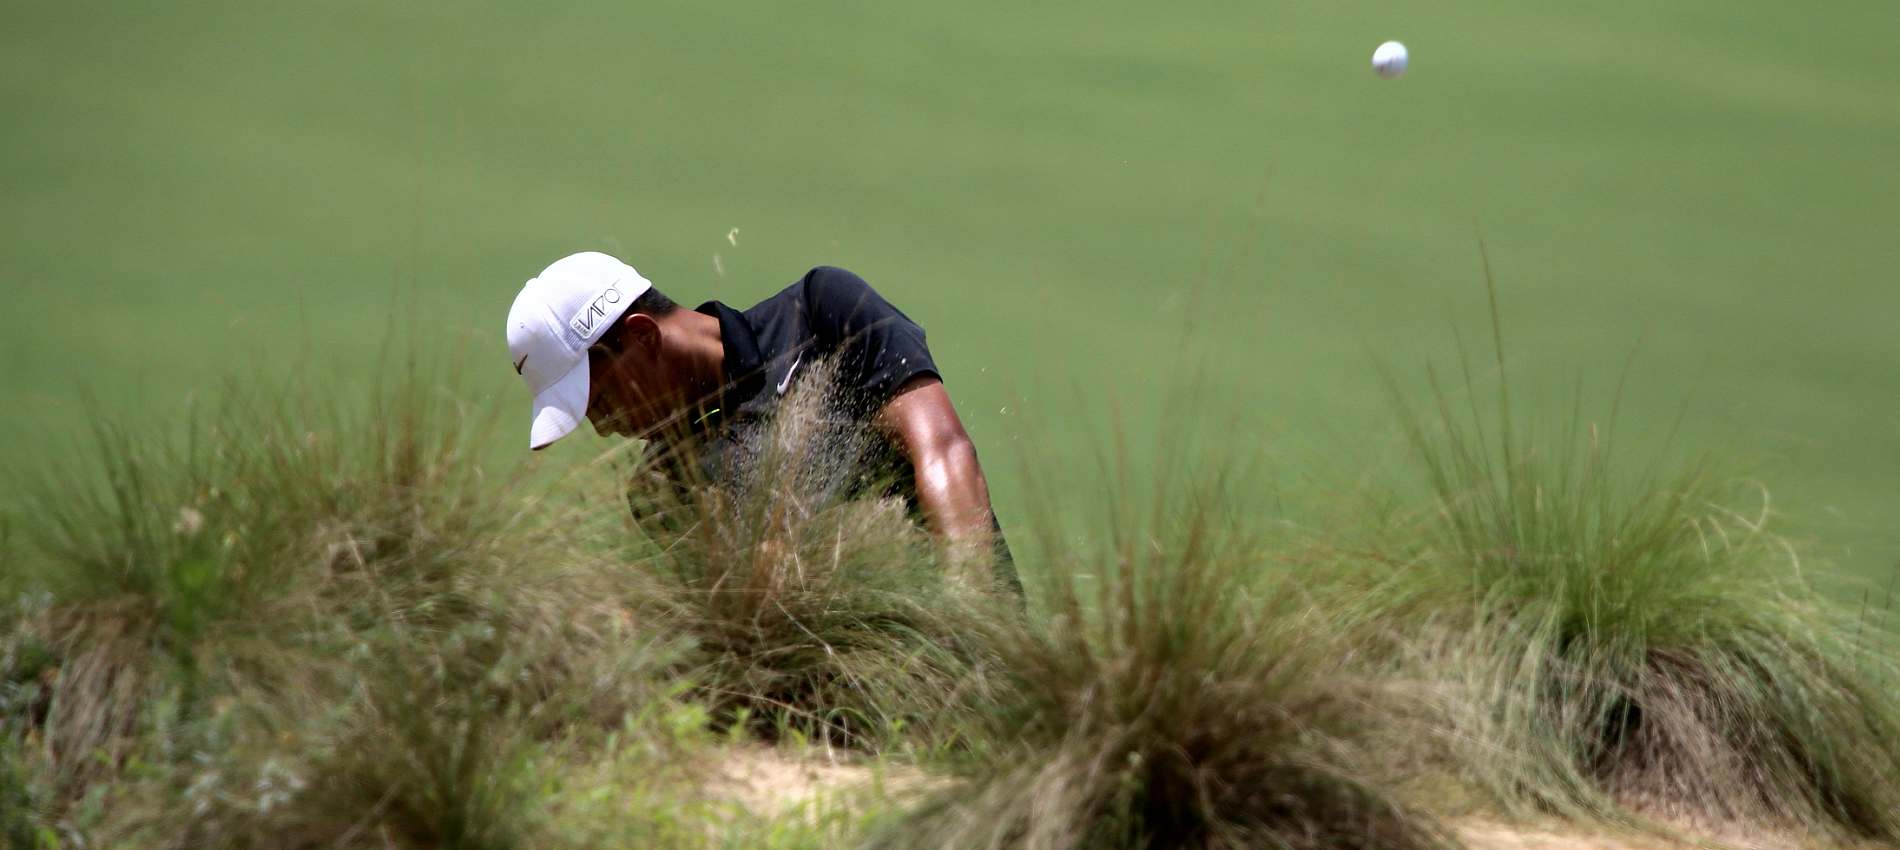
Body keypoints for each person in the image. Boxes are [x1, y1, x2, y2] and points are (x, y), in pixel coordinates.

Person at [505, 251, 1017, 593]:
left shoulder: (819, 314)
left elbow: (942, 450)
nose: (604, 428)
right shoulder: (661, 489)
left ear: (642, 336)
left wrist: (967, 604)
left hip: (970, 670)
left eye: (601, 401)